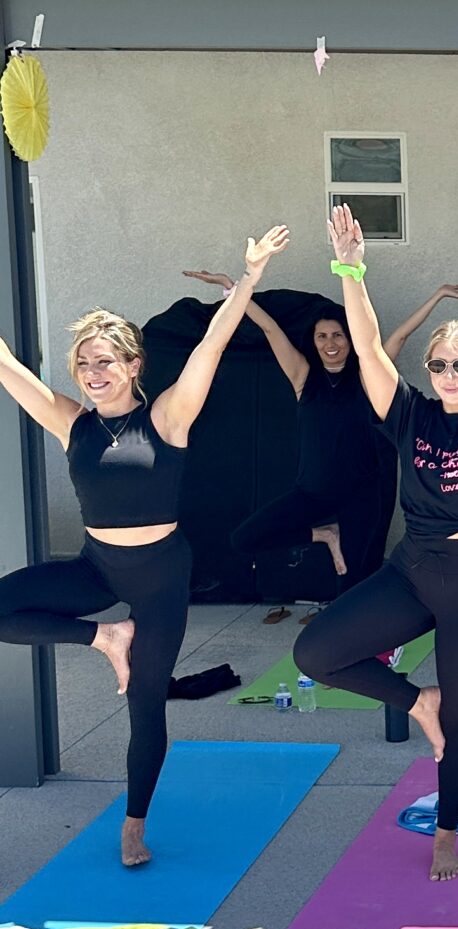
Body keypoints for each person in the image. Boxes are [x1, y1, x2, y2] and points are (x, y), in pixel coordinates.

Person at [0, 226, 291, 868]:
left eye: (105, 361)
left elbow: (212, 345)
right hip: (96, 568)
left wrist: (249, 276)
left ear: (133, 365)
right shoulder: (72, 422)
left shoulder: (166, 417)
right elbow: (7, 367)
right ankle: (106, 638)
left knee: (146, 705)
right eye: (84, 363)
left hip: (160, 577)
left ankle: (134, 825)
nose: (93, 373)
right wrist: (98, 632)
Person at [295, 202, 458, 883]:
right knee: (316, 651)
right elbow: (368, 349)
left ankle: (446, 833)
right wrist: (350, 268)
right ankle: (420, 703)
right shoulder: (409, 414)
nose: (447, 374)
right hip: (413, 569)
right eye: (438, 364)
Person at [184, 271, 458, 593]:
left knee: (353, 580)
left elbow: (399, 338)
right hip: (312, 491)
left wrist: (438, 295)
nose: (330, 343)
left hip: (361, 494)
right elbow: (270, 329)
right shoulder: (303, 377)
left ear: (350, 339)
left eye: (337, 335)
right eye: (322, 336)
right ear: (313, 341)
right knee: (245, 538)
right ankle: (325, 534)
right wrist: (233, 288)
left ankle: (362, 619)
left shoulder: (367, 378)